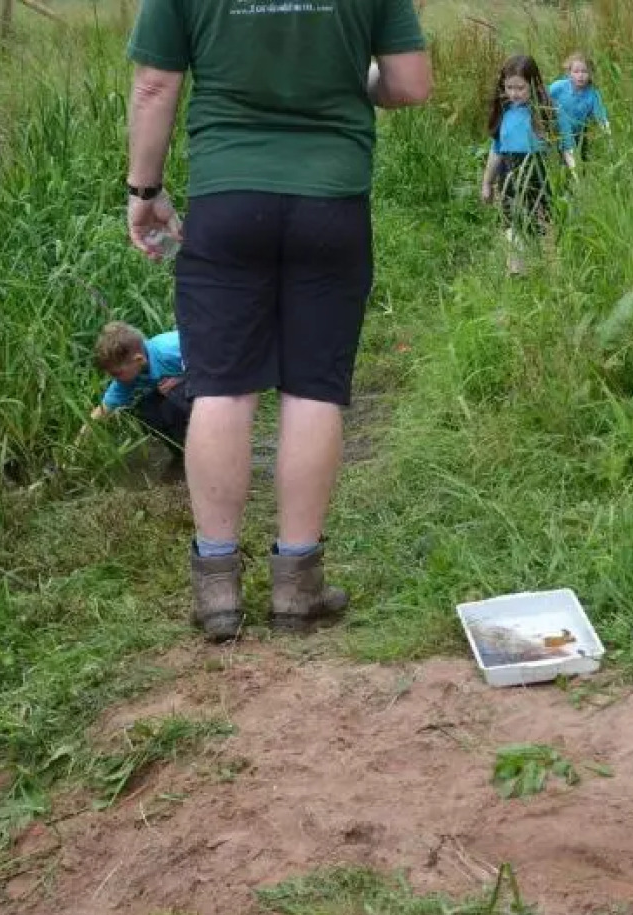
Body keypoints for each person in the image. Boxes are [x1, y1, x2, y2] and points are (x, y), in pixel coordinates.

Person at [122, 0, 433, 642]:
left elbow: (155, 85)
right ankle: (297, 587)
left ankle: (217, 593)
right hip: (332, 201)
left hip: (229, 199)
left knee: (221, 386)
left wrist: (144, 192)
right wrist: (356, 77)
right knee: (314, 388)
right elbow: (409, 83)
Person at [480, 55, 555, 275]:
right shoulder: (504, 114)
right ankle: (517, 272)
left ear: (533, 84)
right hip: (509, 174)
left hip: (539, 174)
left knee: (543, 223)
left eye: (520, 88)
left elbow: (559, 148)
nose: (514, 93)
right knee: (512, 225)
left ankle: (549, 270)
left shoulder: (544, 113)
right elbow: (496, 151)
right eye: (509, 87)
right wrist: (486, 184)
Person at [87, 321, 189, 474]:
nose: (113, 378)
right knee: (146, 410)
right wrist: (74, 446)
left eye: (116, 373)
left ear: (139, 360)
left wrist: (183, 379)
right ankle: (183, 454)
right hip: (186, 386)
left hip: (209, 382)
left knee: (172, 404)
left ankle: (208, 448)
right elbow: (104, 410)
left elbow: (219, 362)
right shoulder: (128, 376)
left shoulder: (170, 351)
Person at [548, 52, 608, 169]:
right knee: (560, 160)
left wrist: (607, 133)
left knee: (581, 160)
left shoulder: (593, 94)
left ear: (590, 74)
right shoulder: (559, 87)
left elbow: (601, 116)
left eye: (584, 72)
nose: (580, 75)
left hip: (579, 134)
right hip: (556, 132)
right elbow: (542, 98)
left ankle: (579, 176)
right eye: (576, 72)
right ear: (569, 73)